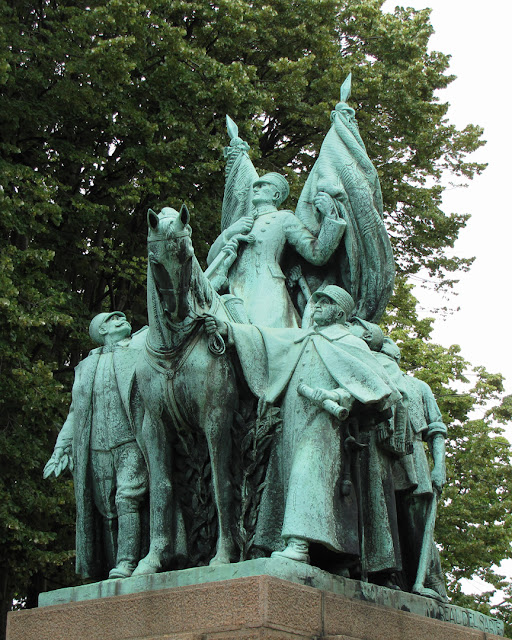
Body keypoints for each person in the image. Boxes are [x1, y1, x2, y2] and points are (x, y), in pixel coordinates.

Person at [205, 286, 402, 579]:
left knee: (307, 472)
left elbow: (382, 386)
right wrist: (227, 329)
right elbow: (261, 338)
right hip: (292, 419)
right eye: (317, 300)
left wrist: (341, 395)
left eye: (326, 302)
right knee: (284, 476)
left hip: (325, 422)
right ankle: (275, 541)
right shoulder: (301, 337)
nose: (317, 306)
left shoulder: (350, 342)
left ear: (340, 311)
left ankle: (299, 545)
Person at [44, 312, 148, 580]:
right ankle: (109, 566)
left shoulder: (141, 345)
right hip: (96, 446)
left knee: (127, 497)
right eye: (115, 319)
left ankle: (127, 562)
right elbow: (74, 414)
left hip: (131, 439)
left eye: (124, 318)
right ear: (101, 329)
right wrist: (60, 450)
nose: (123, 320)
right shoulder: (85, 366)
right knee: (106, 509)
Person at [206, 173, 346, 328]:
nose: (256, 188)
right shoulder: (241, 223)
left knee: (269, 340)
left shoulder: (284, 218)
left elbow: (318, 254)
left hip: (266, 291)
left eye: (262, 185)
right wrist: (230, 231)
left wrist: (330, 216)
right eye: (256, 186)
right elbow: (212, 260)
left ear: (276, 194)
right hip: (233, 289)